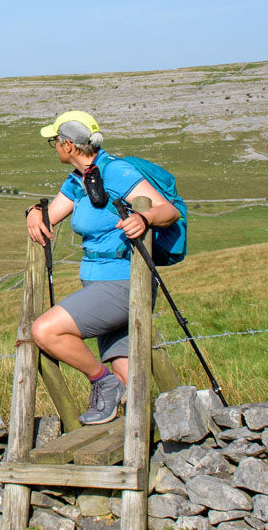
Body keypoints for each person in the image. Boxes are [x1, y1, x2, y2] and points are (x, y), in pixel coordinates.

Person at [25, 111, 179, 425]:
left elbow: (168, 210)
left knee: (44, 330)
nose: (54, 146)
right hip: (97, 286)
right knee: (127, 375)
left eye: (55, 141)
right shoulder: (77, 181)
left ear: (69, 145)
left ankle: (100, 381)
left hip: (124, 283)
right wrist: (31, 211)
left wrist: (144, 217)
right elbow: (49, 215)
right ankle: (152, 437)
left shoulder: (116, 172)